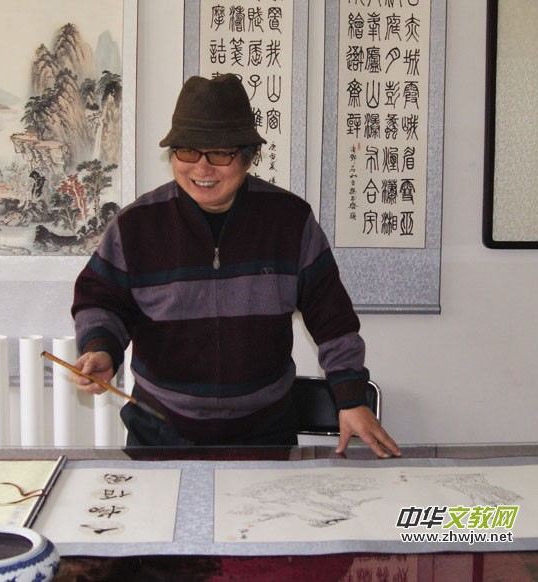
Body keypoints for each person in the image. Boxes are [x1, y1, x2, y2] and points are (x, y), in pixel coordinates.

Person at [70, 73, 401, 457]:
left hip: (265, 431)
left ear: (247, 156)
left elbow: (332, 316)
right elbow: (101, 299)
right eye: (187, 152)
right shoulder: (136, 226)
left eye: (219, 154)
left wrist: (351, 397)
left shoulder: (289, 221)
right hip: (160, 429)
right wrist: (102, 348)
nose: (202, 168)